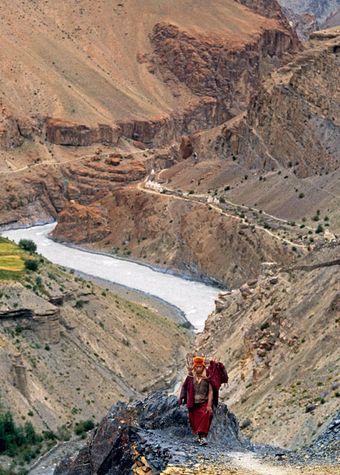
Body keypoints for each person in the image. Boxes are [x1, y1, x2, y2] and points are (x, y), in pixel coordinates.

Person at [179, 355, 228, 446]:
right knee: (194, 421)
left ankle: (203, 437)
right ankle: (198, 436)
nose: (198, 368)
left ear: (203, 367)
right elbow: (185, 387)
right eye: (196, 367)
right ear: (194, 367)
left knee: (206, 415)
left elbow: (210, 391)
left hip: (203, 403)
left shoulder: (207, 377)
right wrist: (182, 397)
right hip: (193, 404)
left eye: (200, 367)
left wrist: (209, 405)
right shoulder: (190, 377)